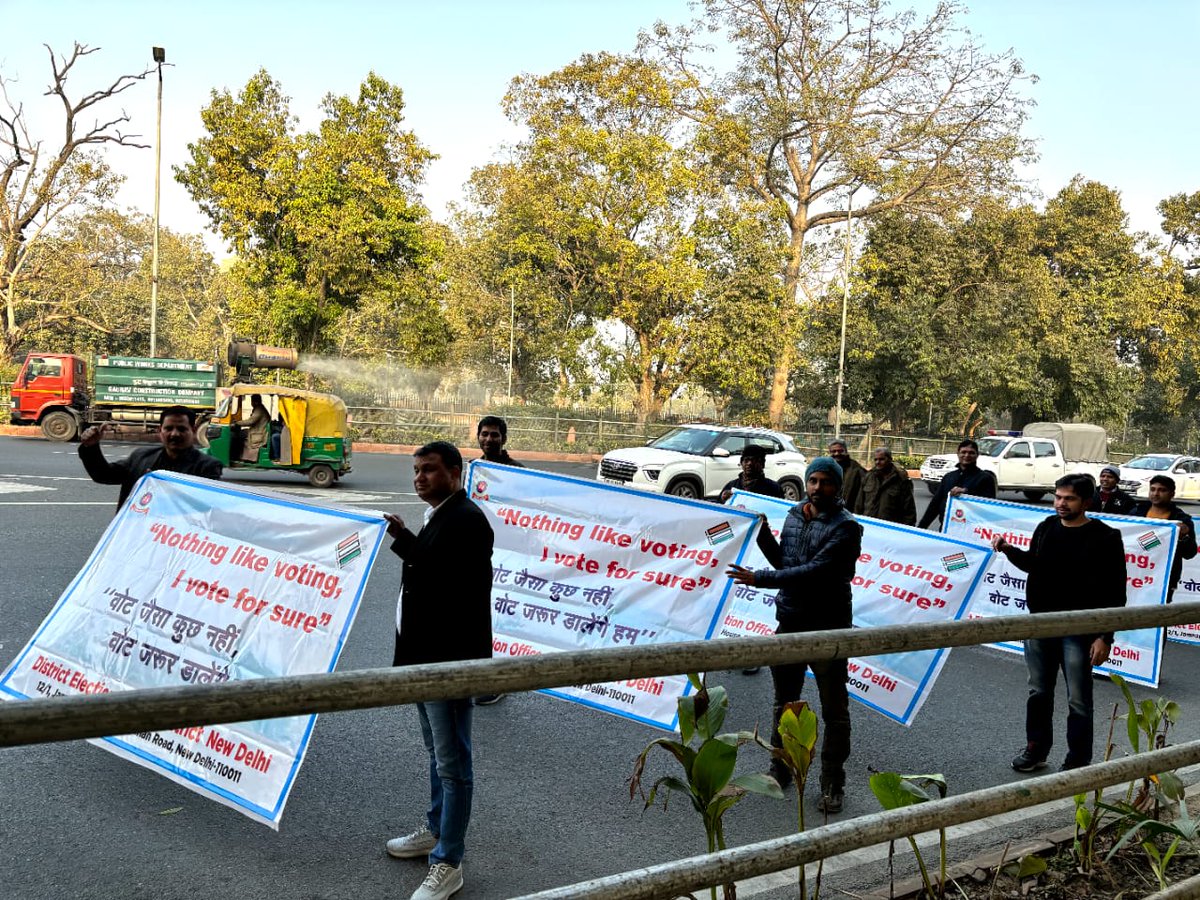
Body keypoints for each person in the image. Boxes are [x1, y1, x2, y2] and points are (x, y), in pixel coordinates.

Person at [383, 441, 494, 900]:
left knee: (453, 764)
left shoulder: (467, 519)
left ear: (455, 472)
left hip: (446, 664)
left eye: (429, 469)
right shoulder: (441, 516)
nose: (420, 478)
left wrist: (404, 540)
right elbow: (431, 572)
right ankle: (435, 829)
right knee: (437, 755)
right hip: (423, 660)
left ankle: (448, 860)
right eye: (415, 471)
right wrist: (407, 535)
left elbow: (451, 582)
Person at [726, 457, 862, 814]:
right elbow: (784, 564)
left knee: (834, 711)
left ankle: (833, 783)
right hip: (789, 622)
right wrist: (760, 531)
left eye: (825, 482)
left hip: (828, 628)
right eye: (813, 481)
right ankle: (781, 769)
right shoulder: (792, 515)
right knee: (784, 704)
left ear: (837, 486)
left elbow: (815, 572)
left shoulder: (847, 527)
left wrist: (760, 580)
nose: (817, 488)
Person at [991, 473, 1127, 772]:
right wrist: (1007, 549)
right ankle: (1036, 750)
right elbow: (1033, 564)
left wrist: (1105, 637)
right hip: (1040, 625)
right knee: (1038, 691)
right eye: (1058, 497)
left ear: (1086, 502)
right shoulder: (1047, 527)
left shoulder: (1106, 537)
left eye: (1069, 498)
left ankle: (1078, 761)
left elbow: (1116, 592)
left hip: (1080, 630)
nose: (1061, 503)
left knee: (1078, 699)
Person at [78, 406, 223, 512]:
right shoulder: (141, 457)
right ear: (160, 431)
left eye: (181, 429)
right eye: (169, 428)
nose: (174, 434)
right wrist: (91, 447)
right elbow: (104, 475)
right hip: (135, 536)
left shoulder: (207, 467)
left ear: (193, 431)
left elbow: (206, 509)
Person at [473, 415, 521, 706]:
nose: (489, 439)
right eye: (484, 434)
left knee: (502, 621)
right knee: (478, 623)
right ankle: (479, 679)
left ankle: (498, 682)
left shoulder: (518, 473)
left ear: (504, 438)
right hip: (478, 557)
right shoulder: (472, 471)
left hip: (507, 558)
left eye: (494, 435)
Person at [1132, 475, 1198, 603]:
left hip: (1163, 579)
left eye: (1162, 490)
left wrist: (1184, 536)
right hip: (1134, 575)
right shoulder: (1135, 513)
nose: (1156, 493)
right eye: (1153, 489)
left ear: (1172, 494)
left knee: (1158, 617)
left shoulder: (1182, 520)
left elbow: (1190, 553)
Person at [918, 439, 998, 530]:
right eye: (963, 452)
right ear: (958, 453)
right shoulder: (948, 477)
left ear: (977, 455)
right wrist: (921, 528)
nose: (967, 455)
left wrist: (966, 492)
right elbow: (935, 505)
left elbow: (989, 506)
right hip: (946, 529)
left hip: (972, 531)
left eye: (971, 453)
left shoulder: (986, 478)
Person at [855, 447, 917, 526]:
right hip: (868, 525)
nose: (878, 462)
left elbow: (909, 510)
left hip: (890, 528)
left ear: (890, 459)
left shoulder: (901, 480)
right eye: (876, 459)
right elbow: (859, 504)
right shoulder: (868, 477)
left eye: (881, 459)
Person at [719, 443, 785, 502]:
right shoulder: (732, 486)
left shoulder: (774, 488)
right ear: (741, 463)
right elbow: (719, 508)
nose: (750, 463)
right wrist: (723, 499)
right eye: (746, 460)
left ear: (762, 464)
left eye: (754, 460)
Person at [828, 440, 866, 512]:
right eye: (834, 451)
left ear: (846, 451)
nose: (837, 454)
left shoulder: (856, 470)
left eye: (840, 451)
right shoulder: (826, 468)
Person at [237, 394, 271, 462]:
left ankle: (241, 456)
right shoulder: (259, 408)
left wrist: (237, 423)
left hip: (259, 433)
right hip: (258, 430)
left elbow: (251, 421)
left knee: (239, 436)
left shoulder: (259, 409)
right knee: (242, 433)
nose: (251, 403)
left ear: (255, 401)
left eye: (252, 401)